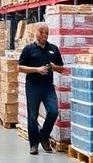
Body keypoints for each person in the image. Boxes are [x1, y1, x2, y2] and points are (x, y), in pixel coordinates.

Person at [17, 24, 64, 155]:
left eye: (47, 33)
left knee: (53, 112)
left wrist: (53, 67)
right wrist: (37, 70)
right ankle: (34, 144)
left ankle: (44, 135)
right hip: (33, 86)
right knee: (32, 116)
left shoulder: (53, 49)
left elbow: (61, 68)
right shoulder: (29, 49)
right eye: (42, 32)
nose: (44, 35)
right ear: (36, 32)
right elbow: (19, 67)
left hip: (48, 87)